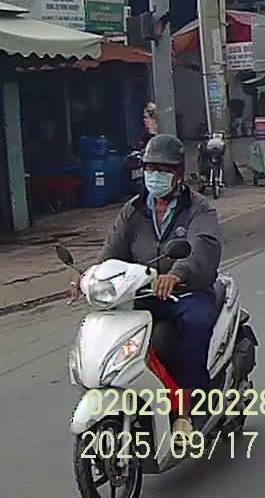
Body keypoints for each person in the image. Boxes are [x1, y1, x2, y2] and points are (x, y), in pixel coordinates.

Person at [73, 134, 222, 443]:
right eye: (150, 168)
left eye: (163, 169)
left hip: (187, 293)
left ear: (178, 173)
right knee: (117, 332)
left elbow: (202, 247)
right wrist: (90, 278)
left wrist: (177, 274)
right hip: (143, 295)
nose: (155, 175)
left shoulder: (198, 209)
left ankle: (189, 409)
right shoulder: (134, 210)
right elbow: (111, 253)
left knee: (195, 325)